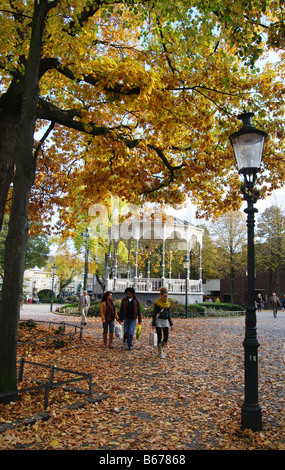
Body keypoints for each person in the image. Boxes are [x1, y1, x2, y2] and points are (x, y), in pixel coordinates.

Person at [152, 287, 173, 359]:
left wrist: (171, 324)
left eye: (166, 296)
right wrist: (153, 323)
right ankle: (160, 353)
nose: (165, 297)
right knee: (159, 336)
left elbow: (169, 314)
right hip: (159, 320)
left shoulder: (168, 304)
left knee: (166, 338)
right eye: (164, 296)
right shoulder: (157, 303)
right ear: (161, 296)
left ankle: (160, 349)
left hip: (165, 321)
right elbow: (154, 314)